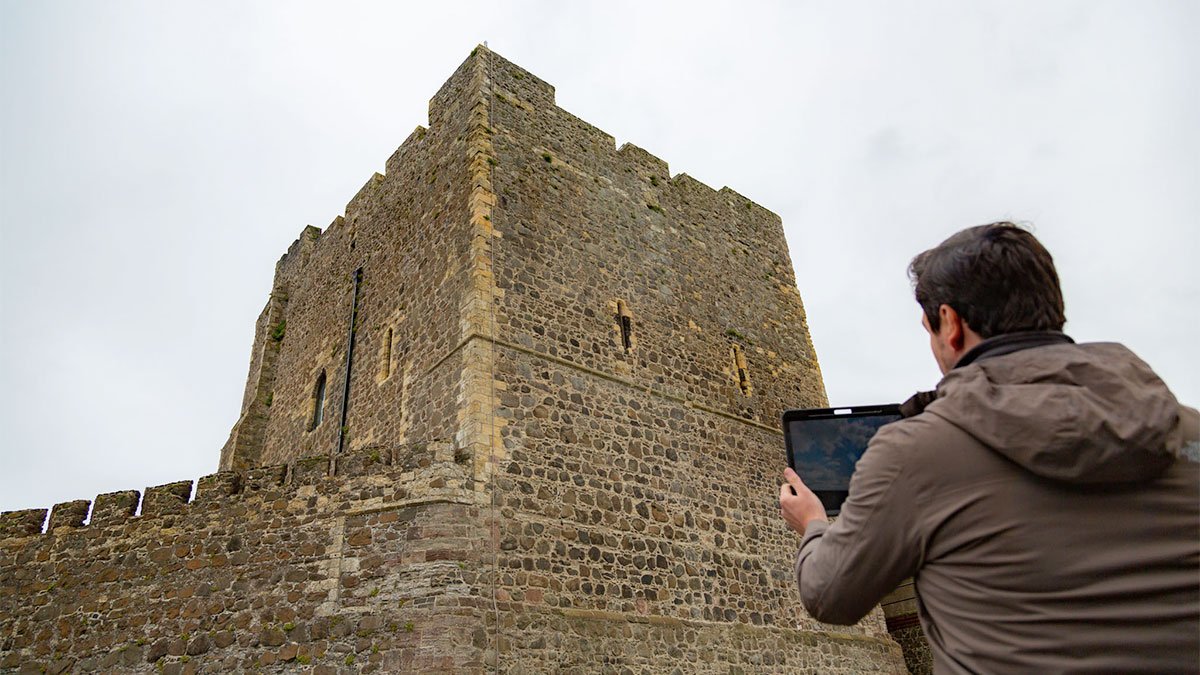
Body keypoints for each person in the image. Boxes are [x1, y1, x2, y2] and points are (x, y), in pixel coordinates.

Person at [779, 222, 1199, 674]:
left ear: (952, 325)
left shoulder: (915, 450)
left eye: (930, 329)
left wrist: (815, 524)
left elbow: (829, 595)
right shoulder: (1188, 431)